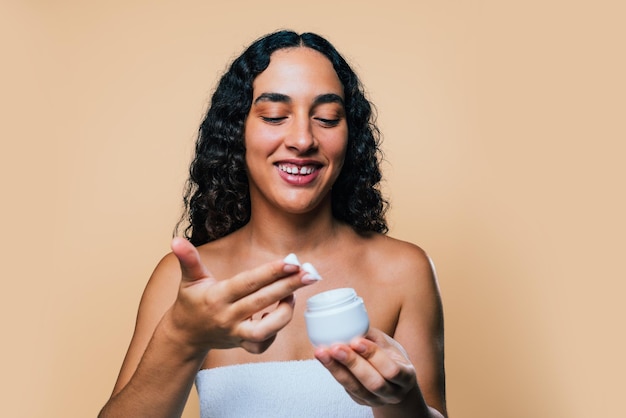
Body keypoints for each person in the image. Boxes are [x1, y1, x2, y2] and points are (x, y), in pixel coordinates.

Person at [99, 30, 447, 418]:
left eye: (327, 118)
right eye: (275, 116)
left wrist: (402, 401)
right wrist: (181, 337)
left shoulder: (403, 272)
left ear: (350, 136)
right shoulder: (187, 282)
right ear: (237, 132)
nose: (302, 139)